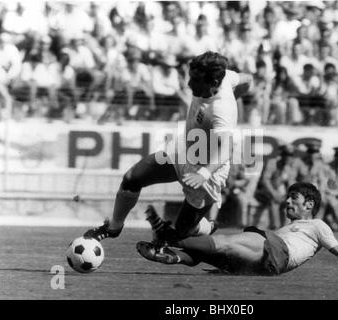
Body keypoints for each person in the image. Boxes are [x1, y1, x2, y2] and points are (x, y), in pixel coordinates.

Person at [83, 51, 253, 245]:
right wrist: (236, 93)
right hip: (183, 151)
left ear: (213, 83)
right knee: (132, 178)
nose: (189, 84)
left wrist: (204, 173)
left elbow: (226, 149)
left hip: (207, 171)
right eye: (190, 77)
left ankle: (207, 226)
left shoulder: (221, 109)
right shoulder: (226, 77)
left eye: (196, 81)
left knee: (182, 231)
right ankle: (113, 227)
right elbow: (248, 79)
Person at [137, 182, 338, 279]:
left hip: (276, 250)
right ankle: (171, 255)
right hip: (265, 267)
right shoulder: (289, 228)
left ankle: (167, 236)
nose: (287, 202)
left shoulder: (317, 225)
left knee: (223, 241)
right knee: (212, 252)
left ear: (309, 204)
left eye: (293, 198)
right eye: (288, 198)